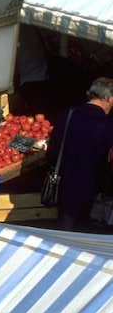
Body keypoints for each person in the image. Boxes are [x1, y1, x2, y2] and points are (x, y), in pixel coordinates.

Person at [47, 77, 113, 231]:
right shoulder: (107, 125)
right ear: (109, 99)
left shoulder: (68, 114)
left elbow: (52, 151)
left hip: (65, 186)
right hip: (93, 193)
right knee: (85, 235)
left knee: (64, 232)